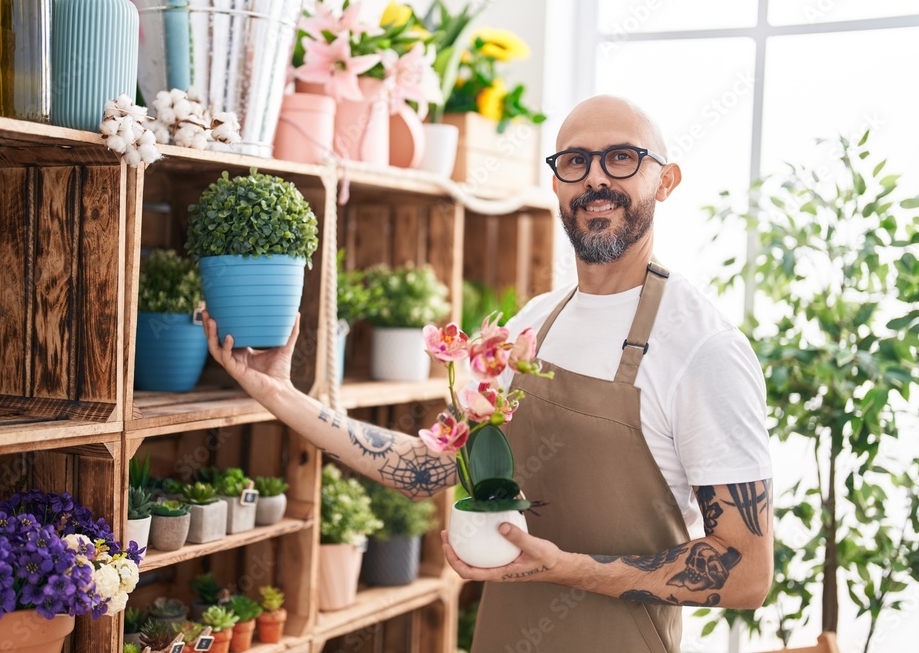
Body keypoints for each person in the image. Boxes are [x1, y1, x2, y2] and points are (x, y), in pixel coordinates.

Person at [202, 95, 774, 653]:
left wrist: (567, 570)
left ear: (666, 180)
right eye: (575, 161)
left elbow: (747, 572)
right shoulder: (529, 330)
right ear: (556, 183)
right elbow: (434, 469)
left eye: (621, 157)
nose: (595, 179)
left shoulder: (704, 349)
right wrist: (280, 394)